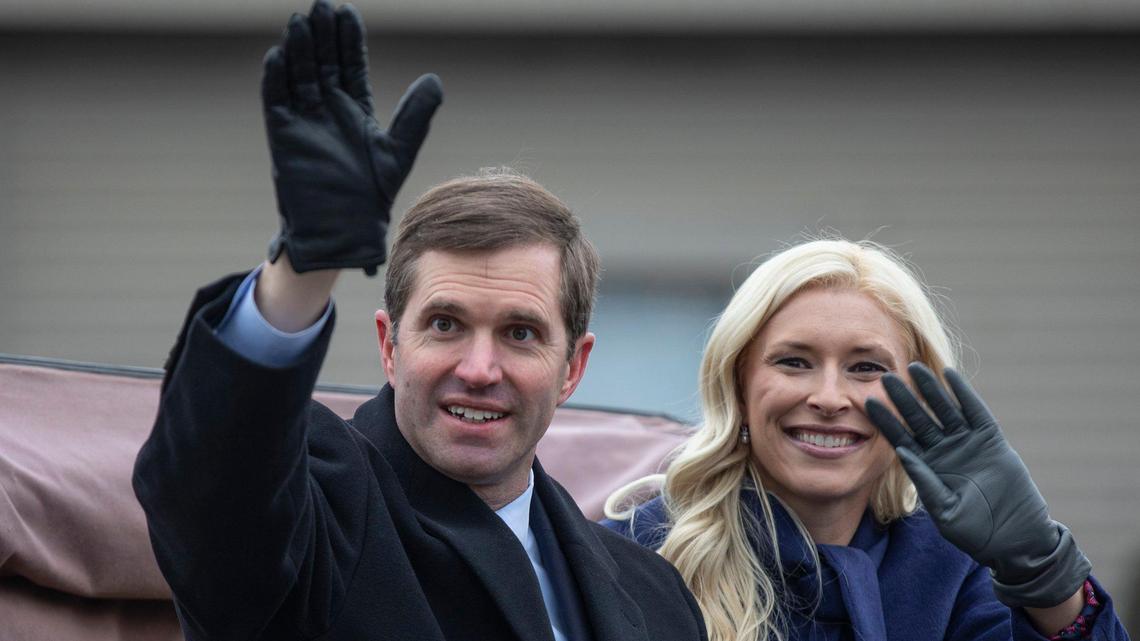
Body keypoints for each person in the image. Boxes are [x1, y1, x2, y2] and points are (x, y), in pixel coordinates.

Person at [131, 2, 706, 640]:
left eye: (520, 333)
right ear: (389, 344)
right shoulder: (322, 511)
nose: (479, 369)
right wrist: (304, 268)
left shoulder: (656, 596)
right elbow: (213, 488)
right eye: (445, 325)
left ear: (573, 367)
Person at [604, 239, 1129, 641]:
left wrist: (1043, 570)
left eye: (866, 367)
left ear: (920, 398)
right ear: (739, 384)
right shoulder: (635, 555)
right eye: (794, 362)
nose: (830, 398)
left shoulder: (955, 572)